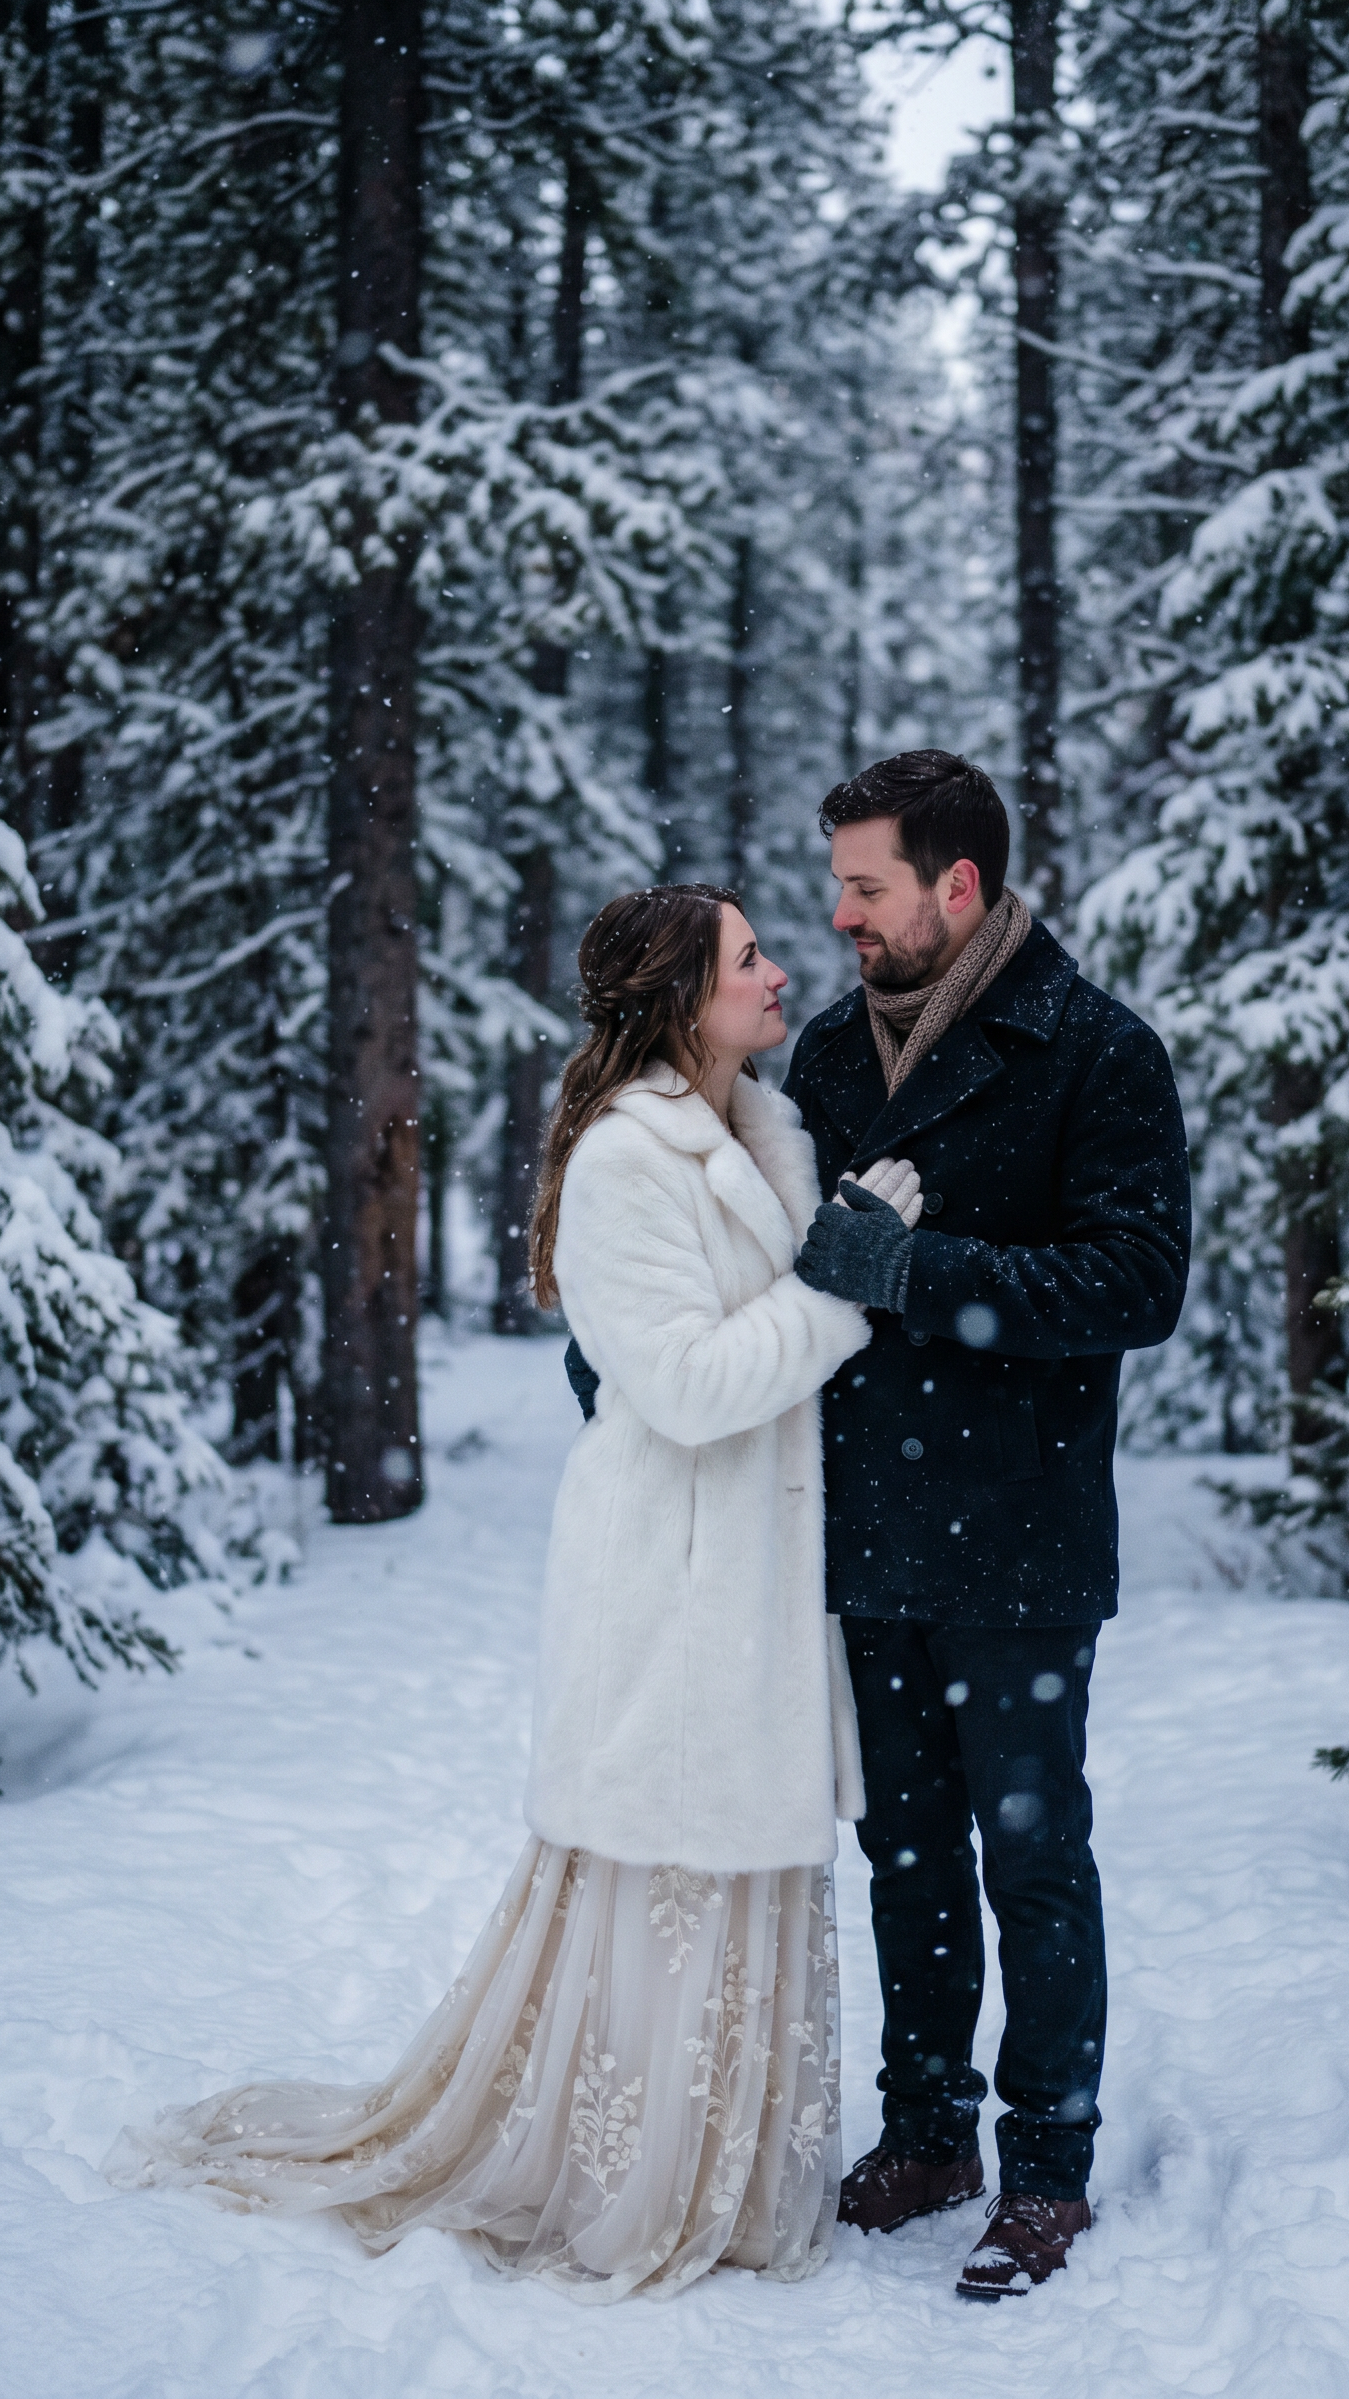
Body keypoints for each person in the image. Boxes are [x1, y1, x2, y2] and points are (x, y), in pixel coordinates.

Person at [106, 883, 924, 2302]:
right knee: (670, 1876)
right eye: (747, 958)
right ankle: (635, 2184)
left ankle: (722, 2179)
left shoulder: (765, 1130)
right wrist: (843, 1287)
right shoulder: (626, 1160)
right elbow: (683, 1386)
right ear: (683, 999)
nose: (780, 973)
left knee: (740, 1872)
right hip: (676, 1576)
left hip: (761, 1575)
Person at [783, 751, 1191, 2302]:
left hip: (1020, 1526)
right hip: (865, 1520)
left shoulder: (1096, 1049)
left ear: (957, 887)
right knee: (905, 1854)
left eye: (867, 887)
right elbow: (784, 1255)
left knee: (1032, 1854)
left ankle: (1048, 2166)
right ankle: (926, 2135)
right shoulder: (829, 1054)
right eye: (837, 884)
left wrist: (917, 1271)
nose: (841, 916)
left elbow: (1135, 1284)